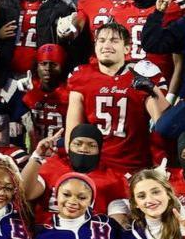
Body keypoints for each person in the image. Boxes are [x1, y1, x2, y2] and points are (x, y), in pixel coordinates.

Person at [65, 23, 170, 175]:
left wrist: (153, 90)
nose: (106, 45)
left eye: (114, 41)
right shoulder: (81, 76)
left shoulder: (142, 75)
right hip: (94, 164)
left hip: (134, 167)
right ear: (95, 46)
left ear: (127, 48)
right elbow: (73, 131)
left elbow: (163, 126)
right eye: (101, 40)